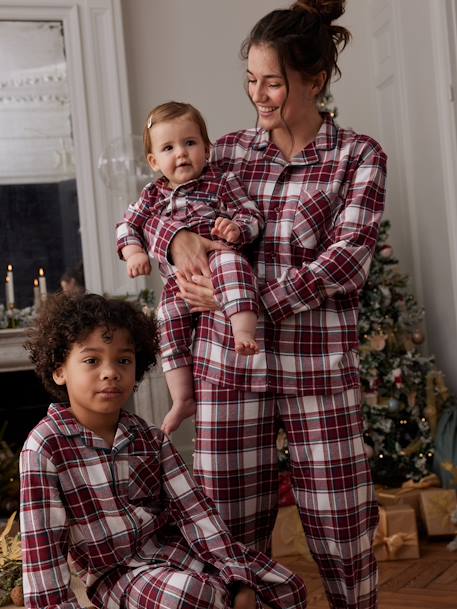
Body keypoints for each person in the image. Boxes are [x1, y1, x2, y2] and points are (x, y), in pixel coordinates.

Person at [143, 2, 387, 608]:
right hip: (228, 375)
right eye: (250, 79)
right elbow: (156, 207)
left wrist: (242, 302)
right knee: (227, 544)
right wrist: (174, 239)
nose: (259, 94)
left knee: (345, 541)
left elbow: (345, 262)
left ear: (315, 80)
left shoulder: (358, 157)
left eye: (272, 81)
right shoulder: (223, 152)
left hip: (320, 379)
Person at [20, 292, 307, 609]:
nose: (110, 372)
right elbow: (42, 553)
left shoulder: (150, 438)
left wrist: (237, 578)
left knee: (285, 586)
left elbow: (197, 513)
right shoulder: (45, 446)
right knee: (189, 595)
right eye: (91, 360)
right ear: (60, 370)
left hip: (176, 553)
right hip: (117, 575)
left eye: (123, 360)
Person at [116, 102, 264, 435]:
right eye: (168, 148)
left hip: (218, 259)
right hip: (178, 283)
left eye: (190, 143)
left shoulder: (221, 181)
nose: (181, 153)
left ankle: (243, 330)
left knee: (232, 263)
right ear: (154, 161)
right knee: (166, 321)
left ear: (207, 148)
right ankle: (182, 397)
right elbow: (127, 225)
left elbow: (251, 215)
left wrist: (236, 229)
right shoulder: (152, 195)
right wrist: (134, 251)